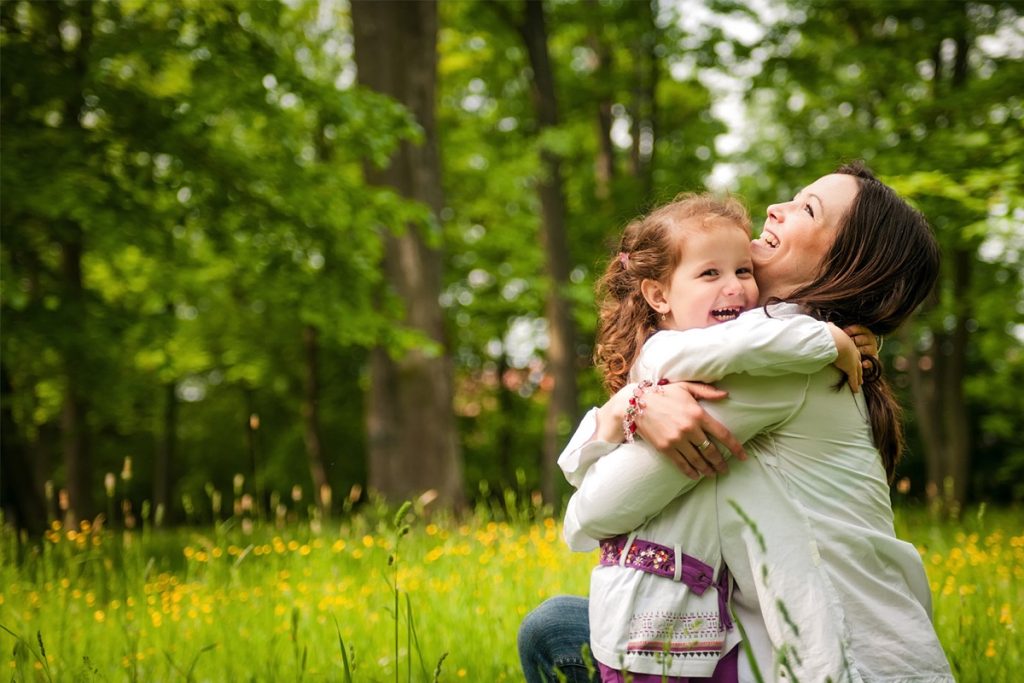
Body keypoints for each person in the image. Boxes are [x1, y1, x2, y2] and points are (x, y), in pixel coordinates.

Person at [518, 162, 954, 682]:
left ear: (846, 263)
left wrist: (629, 406)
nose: (776, 209)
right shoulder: (795, 346)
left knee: (552, 628)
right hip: (792, 641)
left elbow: (589, 516)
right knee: (558, 625)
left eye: (807, 210)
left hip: (849, 665)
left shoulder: (778, 367)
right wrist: (628, 405)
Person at [559, 193, 866, 683]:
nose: (736, 288)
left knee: (557, 626)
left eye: (743, 271)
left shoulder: (737, 357)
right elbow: (582, 491)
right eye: (711, 274)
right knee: (557, 628)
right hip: (646, 613)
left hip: (701, 615)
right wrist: (829, 340)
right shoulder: (679, 356)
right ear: (659, 296)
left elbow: (755, 340)